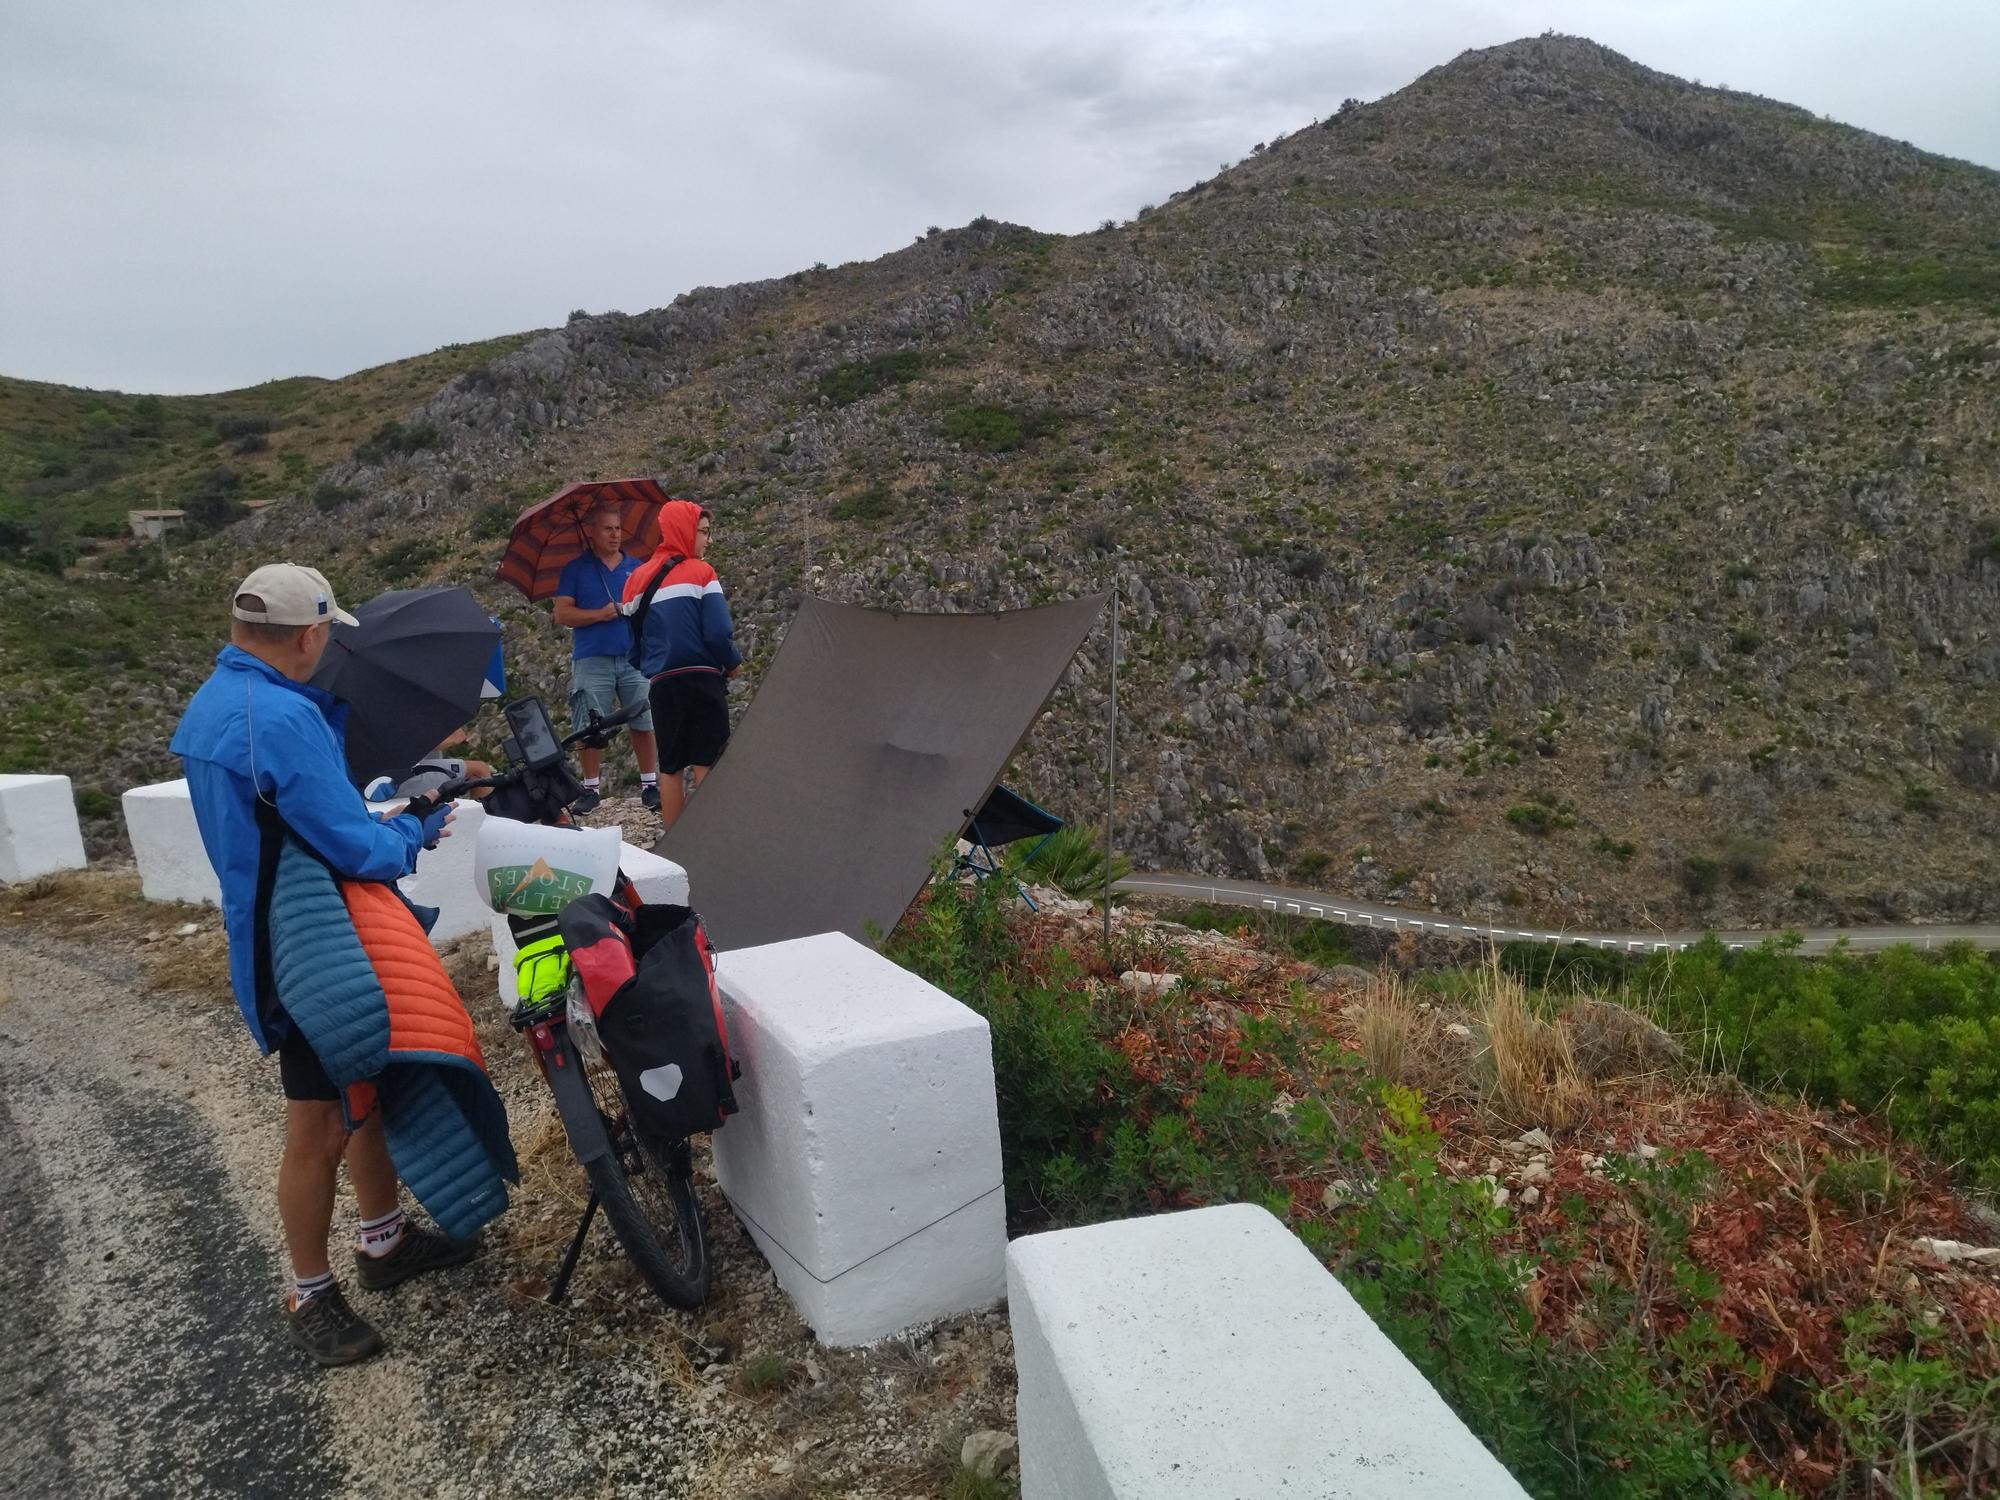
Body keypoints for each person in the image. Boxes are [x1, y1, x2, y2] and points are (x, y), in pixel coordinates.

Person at [170, 563, 474, 1367]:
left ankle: (382, 1243)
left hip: (269, 928)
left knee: (359, 1090)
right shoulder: (281, 720)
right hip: (309, 946)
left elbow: (294, 823)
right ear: (308, 636)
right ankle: (308, 1290)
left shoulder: (213, 707)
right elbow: (354, 847)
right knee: (318, 1122)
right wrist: (416, 826)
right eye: (325, 638)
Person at [623, 501, 742, 832]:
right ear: (686, 530)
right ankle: (713, 838)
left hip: (662, 684)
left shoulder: (635, 580)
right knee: (707, 761)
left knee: (671, 767)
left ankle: (676, 844)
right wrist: (733, 665)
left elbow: (632, 645)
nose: (708, 540)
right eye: (704, 532)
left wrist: (651, 666)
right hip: (704, 679)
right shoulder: (702, 573)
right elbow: (718, 633)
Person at [551, 504, 659, 814]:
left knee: (643, 718)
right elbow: (562, 613)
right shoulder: (576, 569)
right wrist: (600, 614)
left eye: (617, 528)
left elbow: (650, 608)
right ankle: (591, 788)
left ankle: (649, 785)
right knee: (589, 724)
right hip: (591, 658)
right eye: (607, 529)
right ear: (592, 532)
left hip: (633, 657)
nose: (615, 535)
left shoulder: (637, 567)